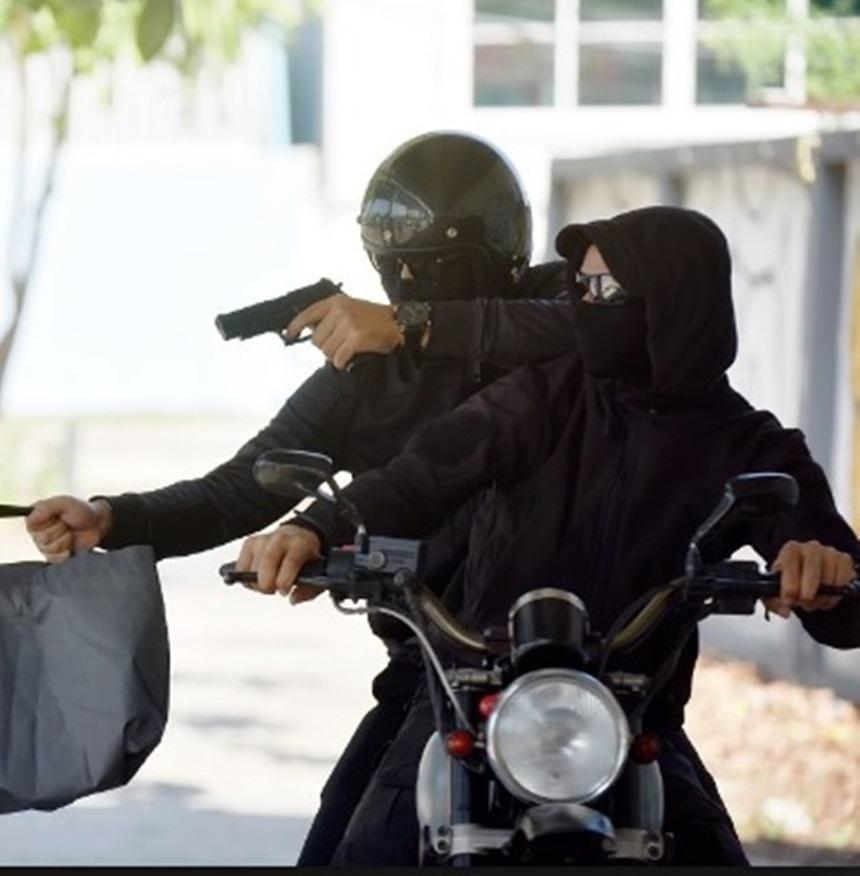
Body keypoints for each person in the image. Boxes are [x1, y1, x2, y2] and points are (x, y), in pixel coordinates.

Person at [247, 205, 860, 865]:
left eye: (606, 291)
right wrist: (314, 526)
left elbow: (842, 594)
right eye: (581, 288)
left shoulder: (750, 444)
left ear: (676, 302)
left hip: (628, 716)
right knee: (365, 849)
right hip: (473, 701)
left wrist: (818, 567)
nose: (584, 306)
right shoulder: (544, 394)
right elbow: (417, 478)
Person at [25, 131, 576, 864]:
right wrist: (114, 516)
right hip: (435, 678)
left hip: (590, 672)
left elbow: (622, 330)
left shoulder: (566, 331)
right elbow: (238, 489)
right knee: (342, 850)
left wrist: (417, 325)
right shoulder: (371, 372)